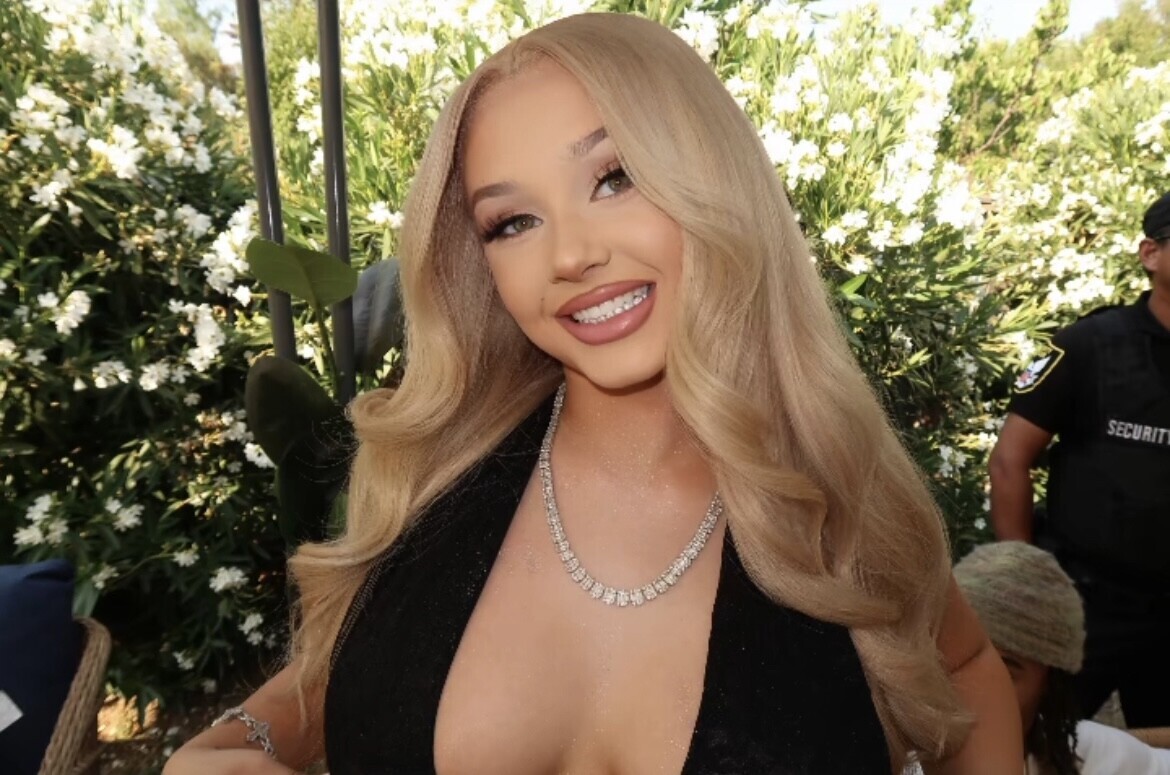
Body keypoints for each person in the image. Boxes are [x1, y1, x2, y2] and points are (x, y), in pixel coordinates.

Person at [167, 13, 1021, 774]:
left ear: (712, 179)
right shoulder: (434, 483)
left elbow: (968, 667)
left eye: (614, 178)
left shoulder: (840, 505)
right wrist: (229, 745)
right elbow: (339, 681)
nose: (570, 254)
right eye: (513, 222)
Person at [989, 190, 1170, 727]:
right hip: (1084, 604)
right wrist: (1024, 581)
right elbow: (1009, 461)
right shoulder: (1090, 345)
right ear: (1150, 253)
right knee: (1038, 740)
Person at [952, 540, 1170, 775]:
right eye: (954, 665)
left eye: (1005, 672)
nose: (969, 692)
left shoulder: (1102, 760)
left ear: (1048, 682)